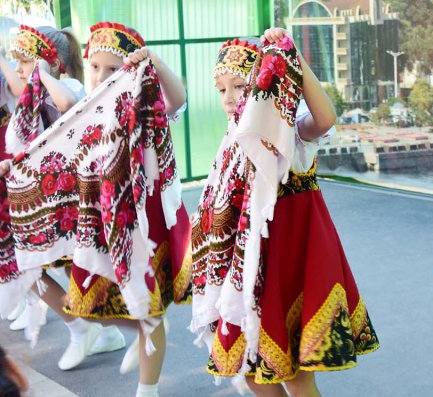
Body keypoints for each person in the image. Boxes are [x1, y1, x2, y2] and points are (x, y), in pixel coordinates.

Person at [191, 33, 379, 397]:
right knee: (249, 370)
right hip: (247, 272)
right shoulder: (233, 141)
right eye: (221, 89)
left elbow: (325, 119)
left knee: (295, 376)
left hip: (288, 265)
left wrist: (293, 58)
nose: (228, 98)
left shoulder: (290, 131)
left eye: (239, 86)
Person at [68, 21, 192, 397]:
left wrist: (153, 61)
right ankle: (144, 328)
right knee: (96, 304)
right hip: (102, 225)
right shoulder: (84, 111)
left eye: (112, 69)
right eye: (94, 67)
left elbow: (178, 100)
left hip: (144, 225)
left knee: (148, 312)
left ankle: (147, 389)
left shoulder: (146, 106)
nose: (101, 76)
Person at [0, 25, 127, 370]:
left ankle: (87, 328)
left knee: (48, 268)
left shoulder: (70, 87)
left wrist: (42, 75)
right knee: (51, 269)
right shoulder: (32, 99)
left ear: (50, 62)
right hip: (50, 200)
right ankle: (99, 330)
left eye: (26, 61)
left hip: (73, 200)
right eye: (18, 61)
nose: (20, 69)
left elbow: (69, 106)